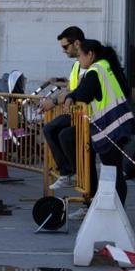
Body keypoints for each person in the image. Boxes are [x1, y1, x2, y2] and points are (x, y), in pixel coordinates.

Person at [63, 38, 135, 205]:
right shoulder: (106, 66)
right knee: (114, 168)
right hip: (118, 123)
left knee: (112, 169)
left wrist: (70, 96)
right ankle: (115, 207)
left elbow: (84, 93)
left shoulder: (95, 70)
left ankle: (116, 209)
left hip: (111, 126)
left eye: (80, 56)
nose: (78, 60)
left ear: (90, 54)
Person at [40, 26, 85, 191]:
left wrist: (54, 100)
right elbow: (73, 86)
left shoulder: (87, 62)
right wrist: (62, 83)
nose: (63, 51)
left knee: (56, 130)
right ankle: (68, 173)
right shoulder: (77, 64)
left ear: (77, 44)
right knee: (53, 130)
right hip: (76, 113)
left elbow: (79, 89)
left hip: (85, 115)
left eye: (65, 47)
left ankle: (70, 173)